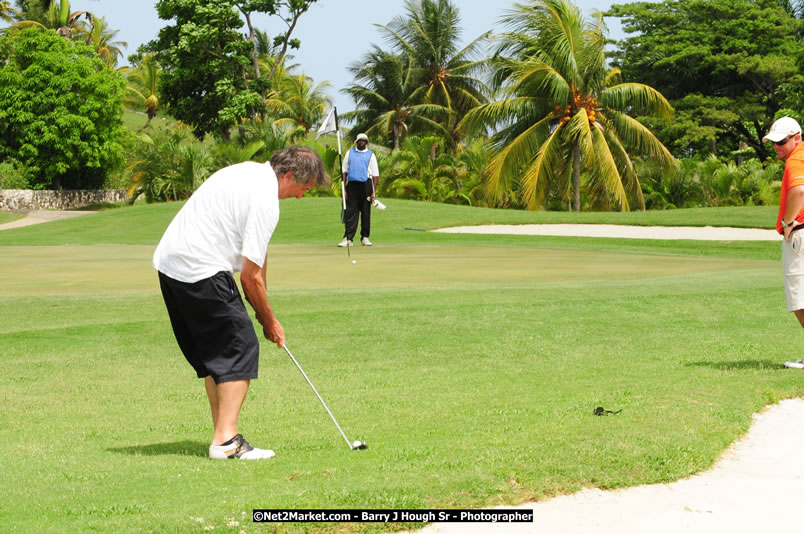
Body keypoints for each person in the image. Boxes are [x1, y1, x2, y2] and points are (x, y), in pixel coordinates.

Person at [153, 146, 329, 459]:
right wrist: (269, 321)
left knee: (216, 354)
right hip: (199, 265)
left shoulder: (249, 173)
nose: (302, 196)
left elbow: (256, 263)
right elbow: (250, 278)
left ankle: (222, 434)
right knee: (240, 346)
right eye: (304, 188)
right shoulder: (265, 201)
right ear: (288, 175)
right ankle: (226, 442)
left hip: (172, 265)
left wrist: (264, 309)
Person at [764, 117, 804, 369]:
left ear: (796, 138)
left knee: (800, 299)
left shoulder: (796, 159)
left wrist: (788, 222)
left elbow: (799, 191)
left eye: (782, 141)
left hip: (799, 235)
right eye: (774, 142)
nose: (777, 145)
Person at [338, 133, 380, 247]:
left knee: (366, 212)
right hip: (352, 186)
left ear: (366, 142)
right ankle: (348, 238)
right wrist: (344, 189)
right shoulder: (349, 153)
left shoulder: (371, 155)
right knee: (350, 212)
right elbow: (344, 171)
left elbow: (375, 175)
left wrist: (373, 192)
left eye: (364, 140)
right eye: (360, 140)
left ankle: (365, 237)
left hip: (366, 185)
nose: (361, 142)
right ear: (357, 142)